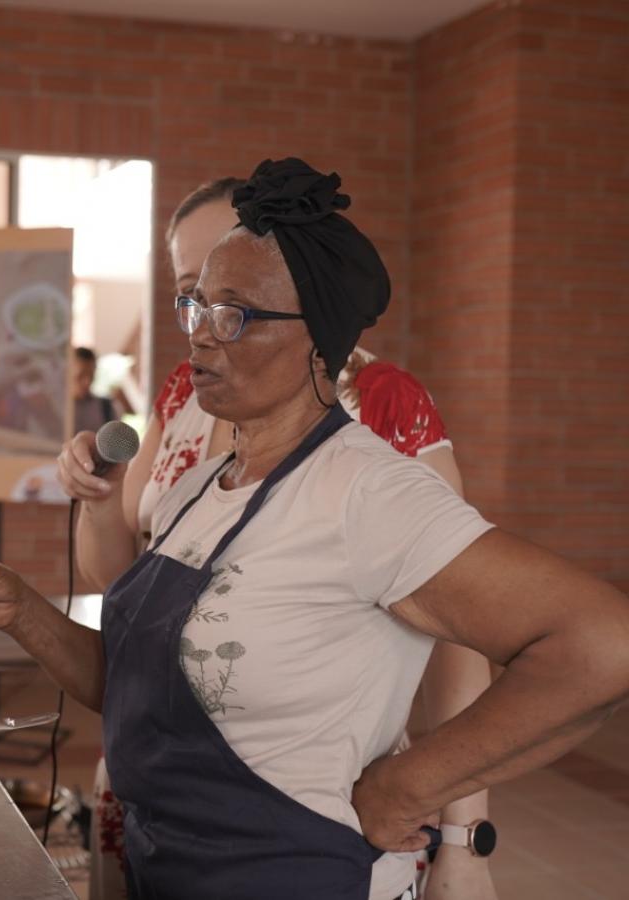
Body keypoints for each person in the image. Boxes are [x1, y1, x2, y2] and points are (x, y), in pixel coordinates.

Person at [0, 158, 629, 900]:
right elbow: (139, 686)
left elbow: (601, 644)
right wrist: (23, 613)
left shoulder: (367, 491)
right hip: (166, 866)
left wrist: (411, 786)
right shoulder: (201, 484)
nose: (200, 336)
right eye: (194, 305)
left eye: (235, 314)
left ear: (317, 341)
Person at [61, 176, 489, 899]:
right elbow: (124, 581)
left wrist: (462, 836)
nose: (201, 323)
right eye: (189, 293)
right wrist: (99, 502)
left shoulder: (378, 407)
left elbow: (463, 631)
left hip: (308, 816)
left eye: (228, 296)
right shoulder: (184, 393)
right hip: (158, 797)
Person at [72, 346, 119, 435]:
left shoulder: (106, 408)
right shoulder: (56, 408)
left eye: (91, 375)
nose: (87, 382)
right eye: (81, 375)